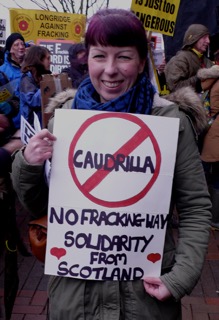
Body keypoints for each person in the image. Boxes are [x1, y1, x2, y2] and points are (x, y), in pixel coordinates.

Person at [11, 8, 211, 320]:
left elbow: (196, 206)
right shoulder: (65, 117)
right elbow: (39, 205)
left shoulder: (171, 122)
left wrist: (180, 277)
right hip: (76, 295)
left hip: (144, 299)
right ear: (86, 59)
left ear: (142, 61)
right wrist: (28, 163)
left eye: (124, 57)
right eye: (100, 56)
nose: (111, 70)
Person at [197, 63, 219, 229]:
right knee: (216, 178)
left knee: (209, 176)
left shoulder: (211, 79)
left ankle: (206, 214)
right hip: (216, 133)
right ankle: (214, 218)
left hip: (211, 132)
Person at [164, 24, 213, 93]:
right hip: (185, 103)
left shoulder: (206, 61)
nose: (208, 41)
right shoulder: (180, 59)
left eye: (208, 38)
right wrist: (199, 79)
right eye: (204, 37)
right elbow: (174, 87)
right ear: (194, 38)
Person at [19, 45, 51, 127]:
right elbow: (33, 101)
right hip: (32, 127)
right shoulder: (26, 79)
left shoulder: (44, 75)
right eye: (48, 59)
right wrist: (48, 84)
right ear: (39, 60)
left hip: (44, 124)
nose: (50, 62)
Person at [0, 32, 26, 129]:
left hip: (28, 121)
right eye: (16, 44)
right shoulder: (2, 71)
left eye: (22, 44)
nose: (21, 46)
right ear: (10, 49)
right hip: (11, 122)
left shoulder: (31, 68)